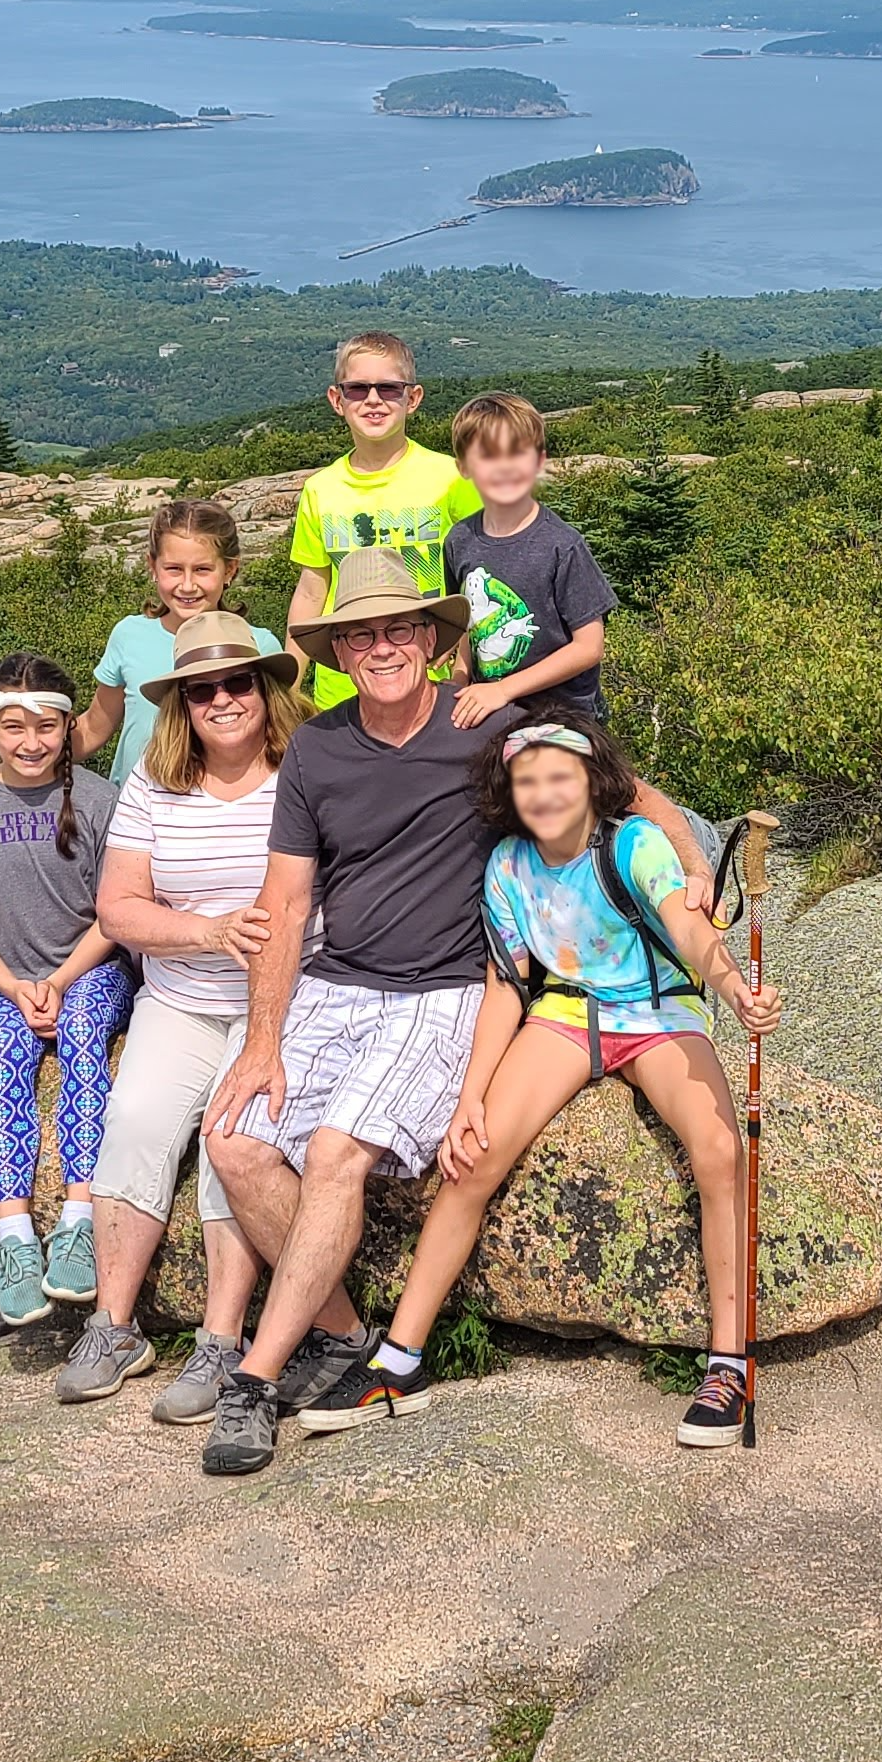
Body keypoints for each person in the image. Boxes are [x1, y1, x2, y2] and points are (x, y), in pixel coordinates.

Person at [195, 547, 711, 1477]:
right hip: (337, 983)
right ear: (337, 651)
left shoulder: (489, 727)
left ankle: (257, 1379)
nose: (381, 647)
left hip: (443, 989)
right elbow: (287, 900)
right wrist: (261, 1042)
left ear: (433, 641)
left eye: (400, 629)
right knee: (232, 1138)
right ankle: (347, 1336)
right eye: (360, 634)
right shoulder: (317, 746)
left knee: (333, 1151)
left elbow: (619, 791)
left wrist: (696, 867)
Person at [298, 705, 776, 1447]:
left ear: (592, 780)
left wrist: (734, 985)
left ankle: (727, 1366)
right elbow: (505, 983)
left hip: (657, 1011)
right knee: (473, 1159)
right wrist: (469, 1101)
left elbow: (686, 926)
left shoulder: (634, 843)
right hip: (564, 1013)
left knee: (719, 1154)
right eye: (528, 780)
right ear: (509, 789)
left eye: (560, 776)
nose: (545, 793)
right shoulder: (509, 865)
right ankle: (399, 1360)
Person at [54, 610, 302, 1418]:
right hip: (181, 997)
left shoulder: (303, 770)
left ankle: (219, 1341)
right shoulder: (154, 785)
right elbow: (118, 907)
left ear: (265, 689)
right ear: (181, 703)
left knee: (233, 1138)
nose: (223, 699)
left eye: (238, 682)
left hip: (287, 1000)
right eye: (203, 690)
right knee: (131, 1123)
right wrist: (206, 931)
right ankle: (114, 1324)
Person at [0, 651, 128, 1329]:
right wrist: (15, 988)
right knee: (7, 1056)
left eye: (45, 727)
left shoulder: (100, 800)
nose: (31, 742)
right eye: (14, 727)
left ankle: (78, 1220)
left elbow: (116, 914)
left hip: (93, 971)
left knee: (81, 1039)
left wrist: (62, 981)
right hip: (5, 985)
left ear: (69, 727)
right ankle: (13, 1236)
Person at [282, 331, 478, 709]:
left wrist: (462, 665)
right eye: (358, 389)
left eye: (388, 388)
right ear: (337, 400)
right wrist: (288, 686)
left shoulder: (452, 478)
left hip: (432, 681)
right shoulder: (321, 490)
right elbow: (311, 591)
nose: (373, 400)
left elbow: (479, 581)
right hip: (341, 689)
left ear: (413, 398)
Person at [442, 391, 619, 726]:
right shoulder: (459, 540)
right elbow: (470, 621)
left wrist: (504, 689)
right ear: (463, 467)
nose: (504, 466)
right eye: (488, 455)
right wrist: (460, 677)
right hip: (492, 712)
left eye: (517, 452)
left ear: (539, 460)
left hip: (564, 717)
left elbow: (589, 646)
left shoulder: (561, 545)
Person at [76, 498, 279, 782]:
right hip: (134, 815)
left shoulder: (257, 646)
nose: (187, 585)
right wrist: (31, 744)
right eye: (173, 569)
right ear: (152, 566)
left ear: (230, 570)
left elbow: (276, 737)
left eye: (202, 570)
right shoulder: (129, 636)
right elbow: (93, 728)